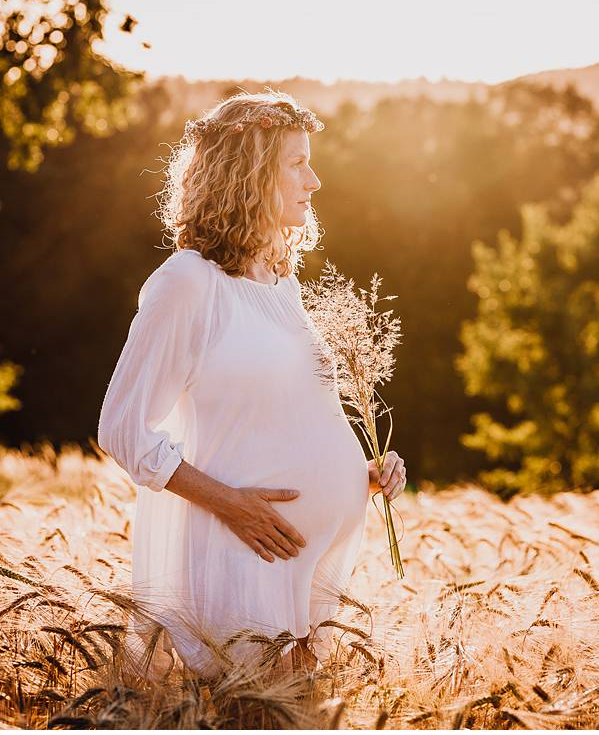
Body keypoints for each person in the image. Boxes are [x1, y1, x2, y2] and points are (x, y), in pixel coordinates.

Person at [96, 90, 408, 680]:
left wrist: (357, 476)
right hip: (245, 557)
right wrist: (231, 504)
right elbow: (121, 428)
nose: (314, 181)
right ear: (250, 174)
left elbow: (280, 416)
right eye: (297, 163)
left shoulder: (279, 282)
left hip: (297, 565)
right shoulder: (188, 282)